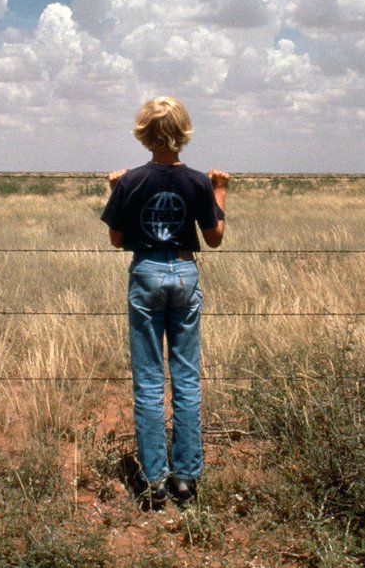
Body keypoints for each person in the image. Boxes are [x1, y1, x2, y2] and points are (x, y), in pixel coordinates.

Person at [100, 97, 229, 509]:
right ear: (184, 132)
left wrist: (116, 190)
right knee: (186, 377)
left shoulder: (132, 181)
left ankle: (154, 479)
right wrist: (220, 190)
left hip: (146, 272)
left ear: (143, 133)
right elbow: (214, 238)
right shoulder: (197, 182)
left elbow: (117, 239)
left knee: (149, 379)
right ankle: (186, 477)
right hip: (185, 272)